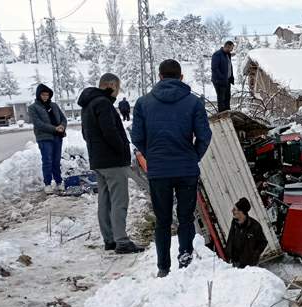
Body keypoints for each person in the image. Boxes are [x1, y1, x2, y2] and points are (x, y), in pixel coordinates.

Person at [131, 59, 212, 278]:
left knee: (163, 220)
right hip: (186, 169)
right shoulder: (194, 103)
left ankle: (163, 267)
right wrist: (193, 156)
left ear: (160, 76)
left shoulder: (143, 103)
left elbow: (137, 137)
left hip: (159, 171)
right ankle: (184, 262)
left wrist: (153, 156)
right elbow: (205, 136)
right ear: (181, 77)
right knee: (186, 218)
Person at [78, 73, 144, 255]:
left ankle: (109, 239)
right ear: (111, 85)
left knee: (105, 200)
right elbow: (110, 132)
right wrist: (122, 150)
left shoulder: (88, 104)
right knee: (119, 201)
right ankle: (122, 241)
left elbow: (86, 134)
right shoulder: (103, 103)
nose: (118, 91)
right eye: (118, 87)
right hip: (112, 161)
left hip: (98, 160)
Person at [29, 84, 67, 194]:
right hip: (44, 138)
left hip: (57, 136)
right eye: (43, 94)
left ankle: (59, 182)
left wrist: (62, 126)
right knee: (47, 161)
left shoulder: (54, 105)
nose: (45, 96)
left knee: (56, 160)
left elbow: (63, 118)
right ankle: (47, 183)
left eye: (47, 94)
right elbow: (38, 124)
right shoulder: (33, 108)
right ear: (38, 95)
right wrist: (55, 128)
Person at [225, 198, 268, 269]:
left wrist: (254, 255)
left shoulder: (255, 226)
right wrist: (228, 252)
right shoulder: (234, 223)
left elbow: (263, 242)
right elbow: (231, 238)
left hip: (249, 266)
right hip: (235, 262)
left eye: (235, 209)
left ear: (241, 212)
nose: (232, 211)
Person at [211, 40, 235, 113]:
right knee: (221, 100)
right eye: (231, 48)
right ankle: (222, 116)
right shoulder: (217, 54)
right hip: (219, 81)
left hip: (227, 80)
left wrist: (230, 77)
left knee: (227, 98)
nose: (232, 50)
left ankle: (228, 113)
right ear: (227, 46)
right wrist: (222, 78)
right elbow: (214, 68)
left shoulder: (227, 54)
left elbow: (229, 67)